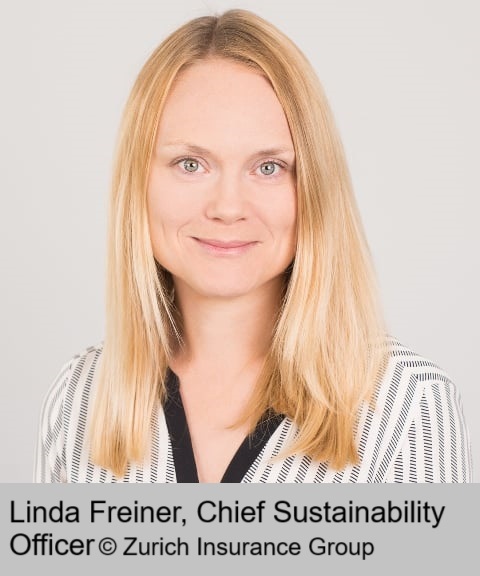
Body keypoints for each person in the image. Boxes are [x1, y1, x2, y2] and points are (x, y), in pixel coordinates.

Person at [35, 9, 471, 483]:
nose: (228, 207)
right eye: (190, 164)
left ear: (314, 188)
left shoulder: (408, 405)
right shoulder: (79, 397)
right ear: (138, 183)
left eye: (268, 168)